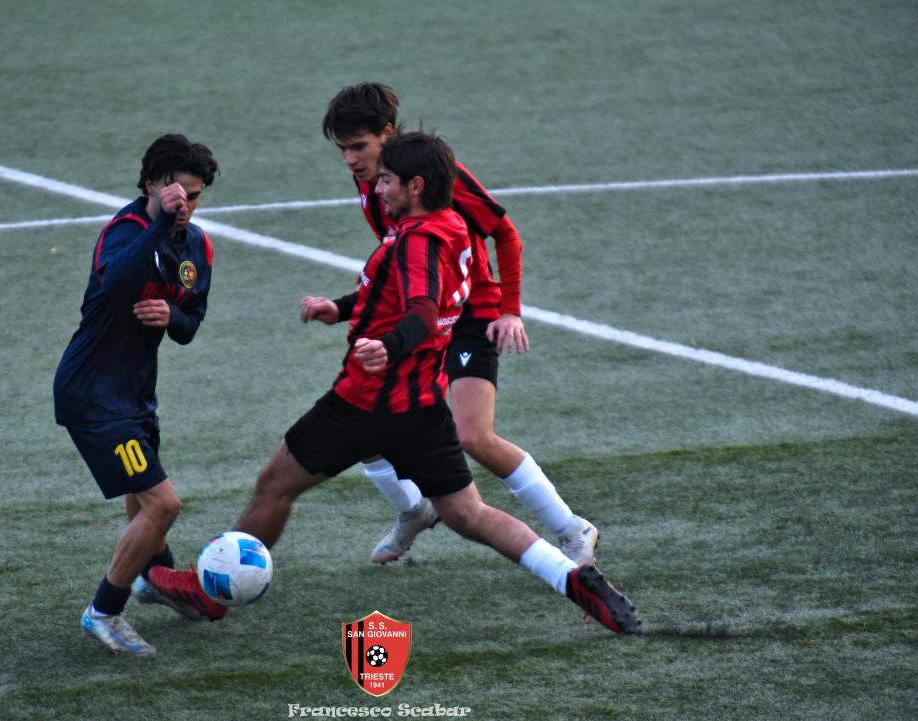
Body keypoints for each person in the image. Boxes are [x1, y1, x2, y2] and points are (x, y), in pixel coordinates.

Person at [150, 131, 641, 634]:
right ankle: (571, 578)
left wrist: (389, 346)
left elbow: (423, 311)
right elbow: (396, 293)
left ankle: (210, 594)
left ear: (416, 185)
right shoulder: (452, 226)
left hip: (364, 403)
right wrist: (340, 308)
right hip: (423, 407)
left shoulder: (416, 241)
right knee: (469, 514)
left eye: (387, 180)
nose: (379, 190)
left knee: (274, 486)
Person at [321, 82, 599, 565]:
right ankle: (414, 509)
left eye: (358, 146)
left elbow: (505, 234)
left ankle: (573, 529)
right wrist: (346, 308)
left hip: (470, 316)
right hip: (418, 321)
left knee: (472, 435)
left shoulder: (433, 172)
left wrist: (509, 309)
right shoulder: (374, 182)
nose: (349, 159)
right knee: (360, 418)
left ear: (386, 132)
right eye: (342, 149)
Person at [53, 133, 225, 656]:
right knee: (162, 504)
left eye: (193, 196)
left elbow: (190, 323)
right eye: (175, 193)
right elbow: (117, 281)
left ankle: (157, 577)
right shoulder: (125, 231)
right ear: (150, 184)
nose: (184, 204)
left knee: (141, 498)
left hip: (135, 397)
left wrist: (172, 314)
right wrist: (158, 222)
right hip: (93, 396)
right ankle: (104, 611)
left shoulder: (197, 245)